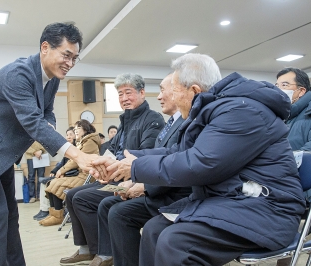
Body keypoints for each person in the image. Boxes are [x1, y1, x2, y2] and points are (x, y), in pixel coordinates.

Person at [91, 53, 305, 266]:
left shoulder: (241, 111)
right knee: (155, 229)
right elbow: (177, 152)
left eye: (174, 90)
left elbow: (201, 163)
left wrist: (136, 167)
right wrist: (122, 160)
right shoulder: (218, 110)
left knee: (176, 242)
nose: (171, 98)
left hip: (268, 209)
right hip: (233, 200)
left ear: (194, 90)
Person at [0, 23, 97, 266]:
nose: (70, 63)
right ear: (45, 47)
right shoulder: (18, 73)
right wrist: (78, 155)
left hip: (4, 151)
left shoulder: (51, 79)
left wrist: (49, 124)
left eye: (74, 58)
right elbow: (31, 120)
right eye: (66, 55)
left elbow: (45, 113)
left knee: (10, 215)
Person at [60, 73, 164, 266]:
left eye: (128, 92)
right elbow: (112, 150)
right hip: (114, 177)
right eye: (120, 94)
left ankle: (105, 252)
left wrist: (115, 168)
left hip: (131, 180)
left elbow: (145, 156)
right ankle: (86, 249)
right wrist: (102, 168)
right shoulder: (124, 121)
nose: (124, 98)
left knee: (83, 199)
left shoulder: (153, 120)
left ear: (142, 93)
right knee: (72, 195)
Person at [93, 73, 191, 266]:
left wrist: (143, 185)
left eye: (163, 90)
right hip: (155, 184)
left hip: (175, 194)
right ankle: (106, 254)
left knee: (118, 212)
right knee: (110, 207)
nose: (159, 96)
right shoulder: (170, 122)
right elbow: (161, 152)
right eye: (119, 95)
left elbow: (177, 162)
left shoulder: (174, 121)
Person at [275, 68, 311, 266]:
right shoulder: (284, 115)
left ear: (301, 91)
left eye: (285, 85)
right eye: (277, 85)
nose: (280, 89)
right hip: (285, 182)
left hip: (301, 186)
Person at [40, 119, 101, 226]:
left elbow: (75, 161)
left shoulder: (90, 142)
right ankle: (54, 214)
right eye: (75, 128)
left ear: (85, 129)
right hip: (80, 175)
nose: (76, 130)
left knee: (56, 183)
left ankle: (58, 216)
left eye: (78, 128)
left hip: (87, 176)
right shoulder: (82, 142)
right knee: (52, 183)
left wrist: (61, 170)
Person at [33, 126, 76, 221]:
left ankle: (50, 212)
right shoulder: (68, 149)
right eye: (67, 135)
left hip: (71, 176)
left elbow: (74, 165)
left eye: (71, 135)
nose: (68, 137)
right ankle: (45, 210)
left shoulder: (77, 149)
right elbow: (61, 163)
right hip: (64, 174)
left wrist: (63, 172)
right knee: (44, 182)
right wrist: (54, 171)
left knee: (50, 183)